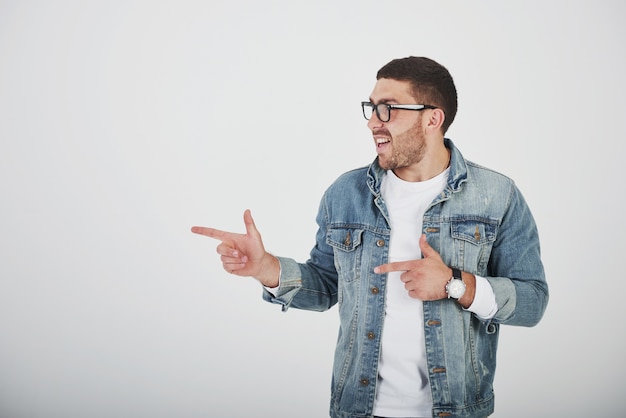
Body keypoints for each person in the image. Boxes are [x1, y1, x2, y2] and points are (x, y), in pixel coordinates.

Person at [191, 56, 548, 418]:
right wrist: (267, 269)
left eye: (387, 109)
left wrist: (456, 285)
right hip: (357, 409)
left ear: (432, 119)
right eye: (372, 108)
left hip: (456, 409)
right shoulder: (345, 194)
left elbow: (533, 301)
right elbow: (327, 286)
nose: (372, 123)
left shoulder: (497, 196)